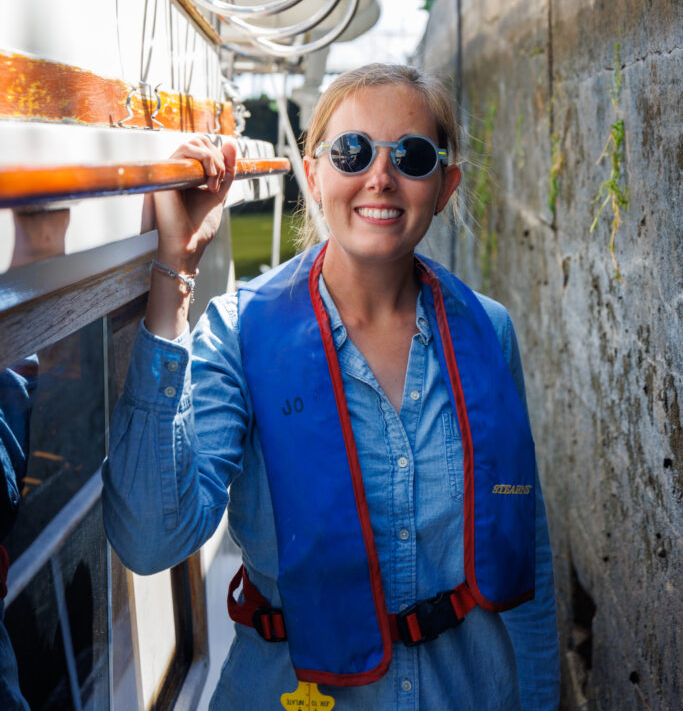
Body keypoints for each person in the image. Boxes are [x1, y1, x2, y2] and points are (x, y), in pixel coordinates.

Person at [103, 63, 559, 710]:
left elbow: (526, 550)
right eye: (351, 153)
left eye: (412, 155)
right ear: (314, 175)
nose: (379, 176)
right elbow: (151, 541)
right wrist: (174, 276)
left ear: (444, 184)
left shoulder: (489, 331)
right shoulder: (240, 332)